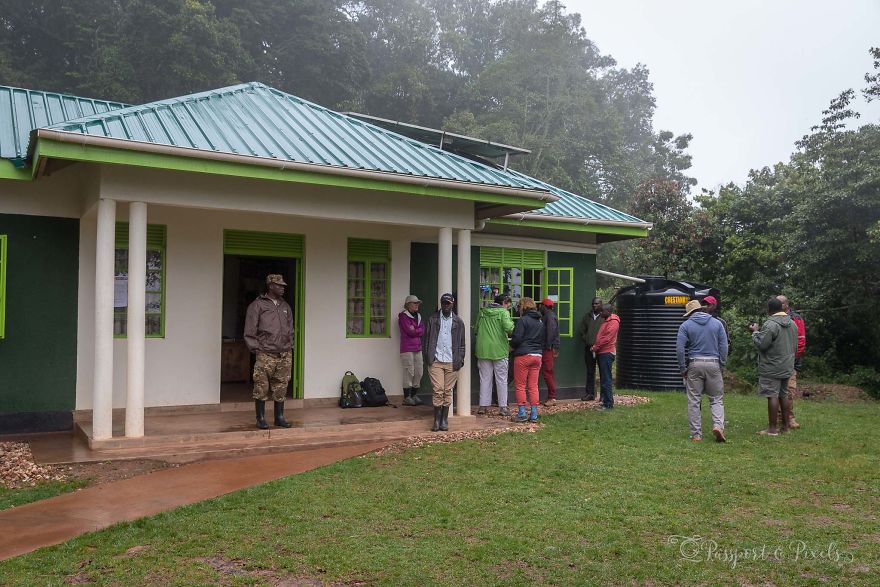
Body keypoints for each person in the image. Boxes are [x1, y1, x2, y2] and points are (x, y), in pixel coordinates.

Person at [243, 274, 294, 429]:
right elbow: (250, 330)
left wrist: (289, 345)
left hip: (284, 354)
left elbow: (290, 329)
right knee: (261, 387)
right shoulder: (257, 305)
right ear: (271, 286)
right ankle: (261, 418)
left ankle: (279, 417)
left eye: (283, 286)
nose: (283, 288)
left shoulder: (285, 306)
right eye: (279, 285)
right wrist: (257, 349)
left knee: (281, 386)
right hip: (265, 354)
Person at [676, 300, 729, 442]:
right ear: (701, 309)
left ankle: (696, 435)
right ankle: (718, 426)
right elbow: (724, 346)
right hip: (713, 363)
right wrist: (722, 365)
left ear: (689, 313)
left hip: (694, 363)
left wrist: (683, 369)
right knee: (716, 399)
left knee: (694, 400)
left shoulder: (685, 325)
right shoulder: (717, 324)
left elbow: (680, 349)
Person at [750, 296, 798, 436]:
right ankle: (786, 427)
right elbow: (794, 346)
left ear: (769, 309)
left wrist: (755, 332)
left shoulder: (770, 324)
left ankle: (772, 429)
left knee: (772, 396)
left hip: (772, 366)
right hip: (787, 365)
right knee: (784, 395)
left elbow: (762, 345)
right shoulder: (792, 323)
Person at [423, 293, 466, 432]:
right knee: (438, 390)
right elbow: (427, 340)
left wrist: (460, 358)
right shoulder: (433, 319)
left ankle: (444, 419)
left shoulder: (458, 322)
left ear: (452, 304)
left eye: (448, 303)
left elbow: (462, 344)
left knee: (448, 391)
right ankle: (436, 420)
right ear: (441, 304)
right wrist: (429, 357)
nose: (446, 306)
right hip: (436, 360)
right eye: (444, 303)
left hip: (452, 361)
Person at [474, 294, 514, 416]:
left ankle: (483, 406)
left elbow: (476, 330)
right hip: (499, 350)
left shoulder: (482, 312)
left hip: (483, 349)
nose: (508, 307)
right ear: (504, 303)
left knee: (485, 378)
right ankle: (503, 407)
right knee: (501, 379)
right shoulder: (503, 313)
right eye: (508, 304)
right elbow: (509, 328)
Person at [510, 297, 545, 422]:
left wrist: (511, 347)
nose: (518, 309)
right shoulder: (540, 321)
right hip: (537, 356)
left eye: (519, 306)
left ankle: (522, 413)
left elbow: (517, 339)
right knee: (533, 386)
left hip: (523, 355)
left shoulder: (522, 320)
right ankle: (534, 415)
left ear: (523, 307)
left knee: (520, 385)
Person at [777, 295, 805, 429]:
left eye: (780, 303)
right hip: (776, 360)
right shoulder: (773, 317)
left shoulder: (796, 318)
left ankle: (789, 417)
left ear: (786, 305)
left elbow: (801, 340)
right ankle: (778, 417)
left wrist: (794, 357)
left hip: (791, 361)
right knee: (776, 390)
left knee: (789, 390)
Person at [591, 304, 620, 410]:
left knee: (606, 379)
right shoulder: (607, 321)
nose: (600, 313)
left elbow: (606, 338)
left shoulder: (613, 322)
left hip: (606, 353)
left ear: (608, 311)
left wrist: (595, 347)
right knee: (604, 378)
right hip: (602, 352)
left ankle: (608, 404)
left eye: (602, 311)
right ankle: (605, 402)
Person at [398, 294, 425, 406]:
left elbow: (422, 330)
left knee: (419, 371)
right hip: (407, 348)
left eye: (417, 303)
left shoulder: (418, 316)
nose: (417, 305)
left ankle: (414, 395)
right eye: (415, 303)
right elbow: (410, 332)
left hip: (418, 347)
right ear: (408, 304)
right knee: (409, 371)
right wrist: (416, 330)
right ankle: (407, 397)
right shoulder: (403, 317)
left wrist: (416, 330)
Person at [578, 297, 606, 401]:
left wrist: (598, 344)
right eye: (593, 304)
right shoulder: (587, 317)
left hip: (601, 349)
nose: (594, 305)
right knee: (590, 371)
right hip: (589, 348)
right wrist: (587, 340)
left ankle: (603, 395)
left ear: (601, 305)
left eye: (597, 304)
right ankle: (590, 393)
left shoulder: (604, 317)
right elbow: (582, 331)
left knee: (603, 372)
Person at [539, 298, 561, 406]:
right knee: (548, 372)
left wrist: (548, 347)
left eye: (541, 305)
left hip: (548, 348)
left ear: (544, 306)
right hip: (549, 348)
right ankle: (550, 397)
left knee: (547, 372)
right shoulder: (549, 316)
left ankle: (552, 398)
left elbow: (551, 333)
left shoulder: (549, 316)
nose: (539, 307)